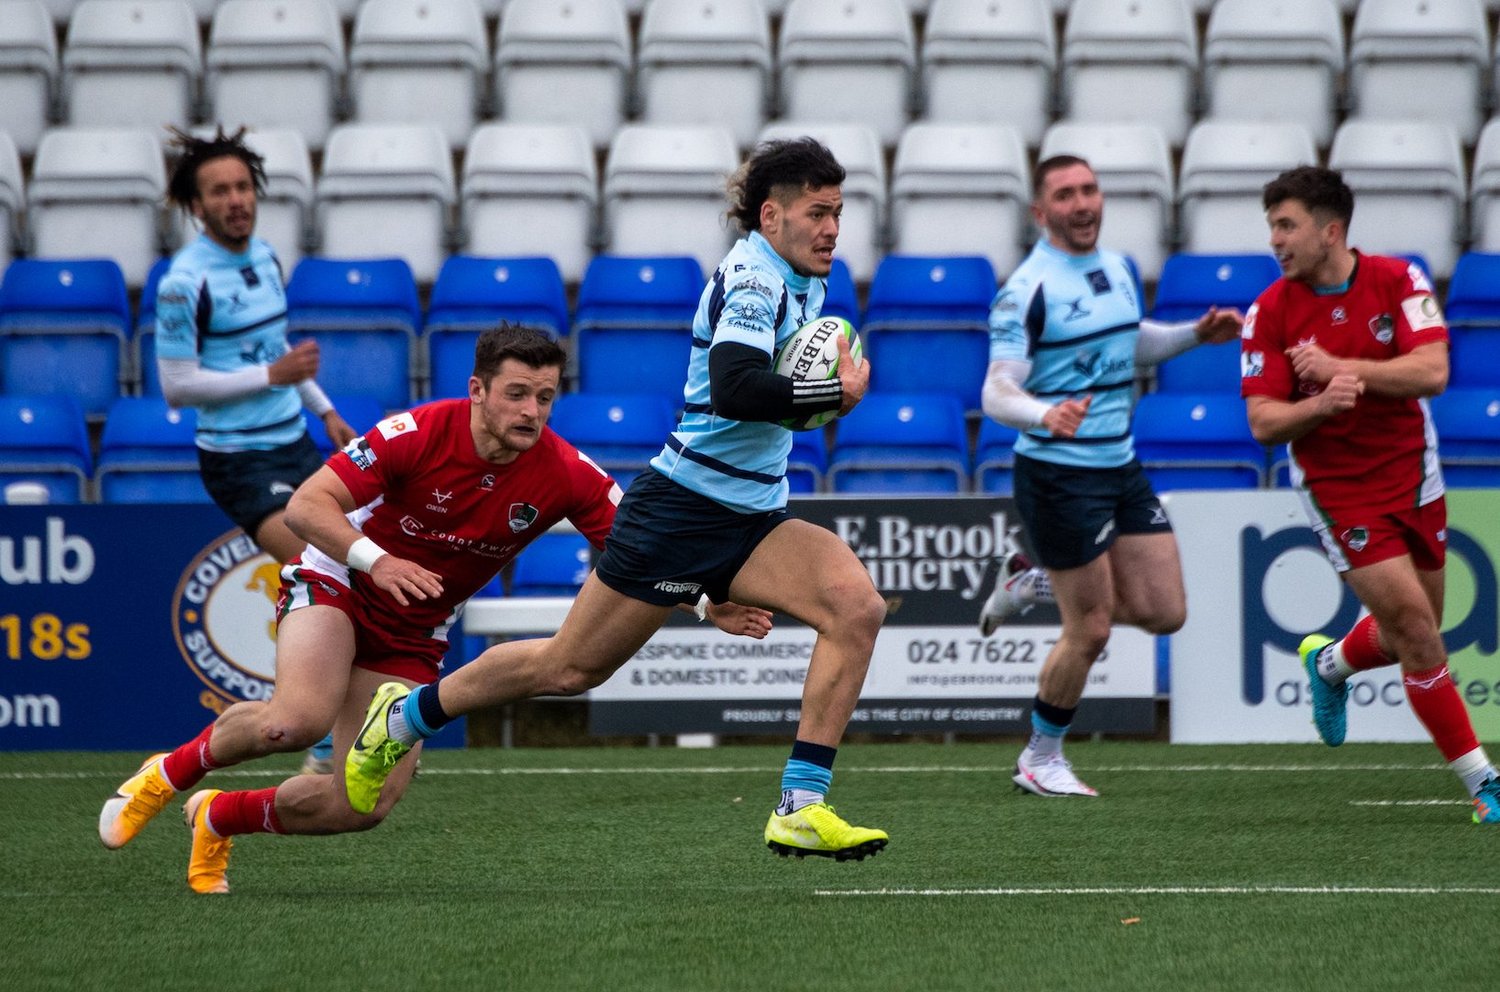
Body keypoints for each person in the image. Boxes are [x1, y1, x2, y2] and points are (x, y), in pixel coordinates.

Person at [343, 137, 892, 861]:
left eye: (839, 213)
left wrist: (818, 402)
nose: (832, 229)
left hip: (753, 512)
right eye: (819, 213)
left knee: (857, 607)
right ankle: (404, 717)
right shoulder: (755, 277)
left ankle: (800, 804)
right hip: (682, 506)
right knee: (567, 670)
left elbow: (774, 405)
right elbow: (734, 387)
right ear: (772, 216)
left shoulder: (808, 280)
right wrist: (829, 393)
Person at [98, 323, 774, 893]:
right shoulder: (416, 431)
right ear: (477, 390)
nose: (531, 412)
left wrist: (705, 601)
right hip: (340, 581)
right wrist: (378, 561)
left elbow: (641, 548)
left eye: (544, 397)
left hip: (415, 629)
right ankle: (165, 775)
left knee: (359, 804)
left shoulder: (564, 471)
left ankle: (220, 816)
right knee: (296, 721)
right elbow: (307, 506)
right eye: (516, 394)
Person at [975, 154, 1243, 797]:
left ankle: (1032, 582)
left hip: (1118, 464)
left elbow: (1130, 341)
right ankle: (1040, 758)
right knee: (1090, 628)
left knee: (1165, 611)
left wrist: (1192, 337)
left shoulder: (1118, 267)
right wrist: (1045, 413)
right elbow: (996, 391)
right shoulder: (1025, 290)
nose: (1083, 203)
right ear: (1041, 213)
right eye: (1066, 194)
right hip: (1057, 476)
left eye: (1091, 189)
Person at [1241, 165, 1499, 824]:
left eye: (1286, 224)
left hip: (1414, 476)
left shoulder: (1398, 279)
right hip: (1339, 492)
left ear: (1331, 231)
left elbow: (1434, 371)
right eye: (1272, 225)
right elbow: (1265, 423)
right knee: (1416, 632)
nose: (1275, 239)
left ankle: (1329, 663)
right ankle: (1482, 782)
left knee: (1410, 633)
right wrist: (1323, 405)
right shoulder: (1269, 311)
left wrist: (1342, 369)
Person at [156, 126, 356, 775]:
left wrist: (325, 412)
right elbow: (177, 385)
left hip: (296, 440)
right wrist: (272, 379)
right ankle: (316, 730)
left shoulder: (266, 256)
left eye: (243, 186)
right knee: (316, 565)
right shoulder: (183, 284)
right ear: (196, 205)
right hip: (239, 460)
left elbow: (277, 350)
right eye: (220, 191)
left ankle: (337, 724)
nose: (236, 199)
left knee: (352, 566)